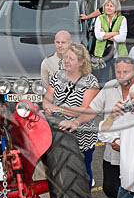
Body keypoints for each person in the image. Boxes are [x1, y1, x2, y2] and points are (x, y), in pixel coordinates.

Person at [74, 56, 134, 198]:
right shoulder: (110, 86)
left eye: (126, 72)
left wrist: (124, 143)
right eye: (118, 72)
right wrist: (75, 122)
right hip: (112, 153)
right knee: (109, 187)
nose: (122, 76)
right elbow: (92, 109)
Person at [43, 43, 100, 184]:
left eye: (71, 58)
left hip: (81, 138)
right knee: (61, 172)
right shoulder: (57, 76)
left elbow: (85, 110)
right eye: (66, 57)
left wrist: (59, 109)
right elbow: (46, 99)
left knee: (83, 172)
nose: (66, 61)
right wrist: (47, 107)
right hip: (59, 136)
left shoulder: (90, 81)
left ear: (81, 62)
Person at [91, 0, 128, 85]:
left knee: (118, 78)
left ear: (116, 8)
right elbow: (98, 36)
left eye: (111, 6)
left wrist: (106, 34)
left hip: (118, 54)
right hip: (103, 54)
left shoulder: (122, 19)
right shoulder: (100, 18)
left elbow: (122, 37)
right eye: (107, 5)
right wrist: (115, 33)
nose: (108, 7)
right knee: (104, 79)